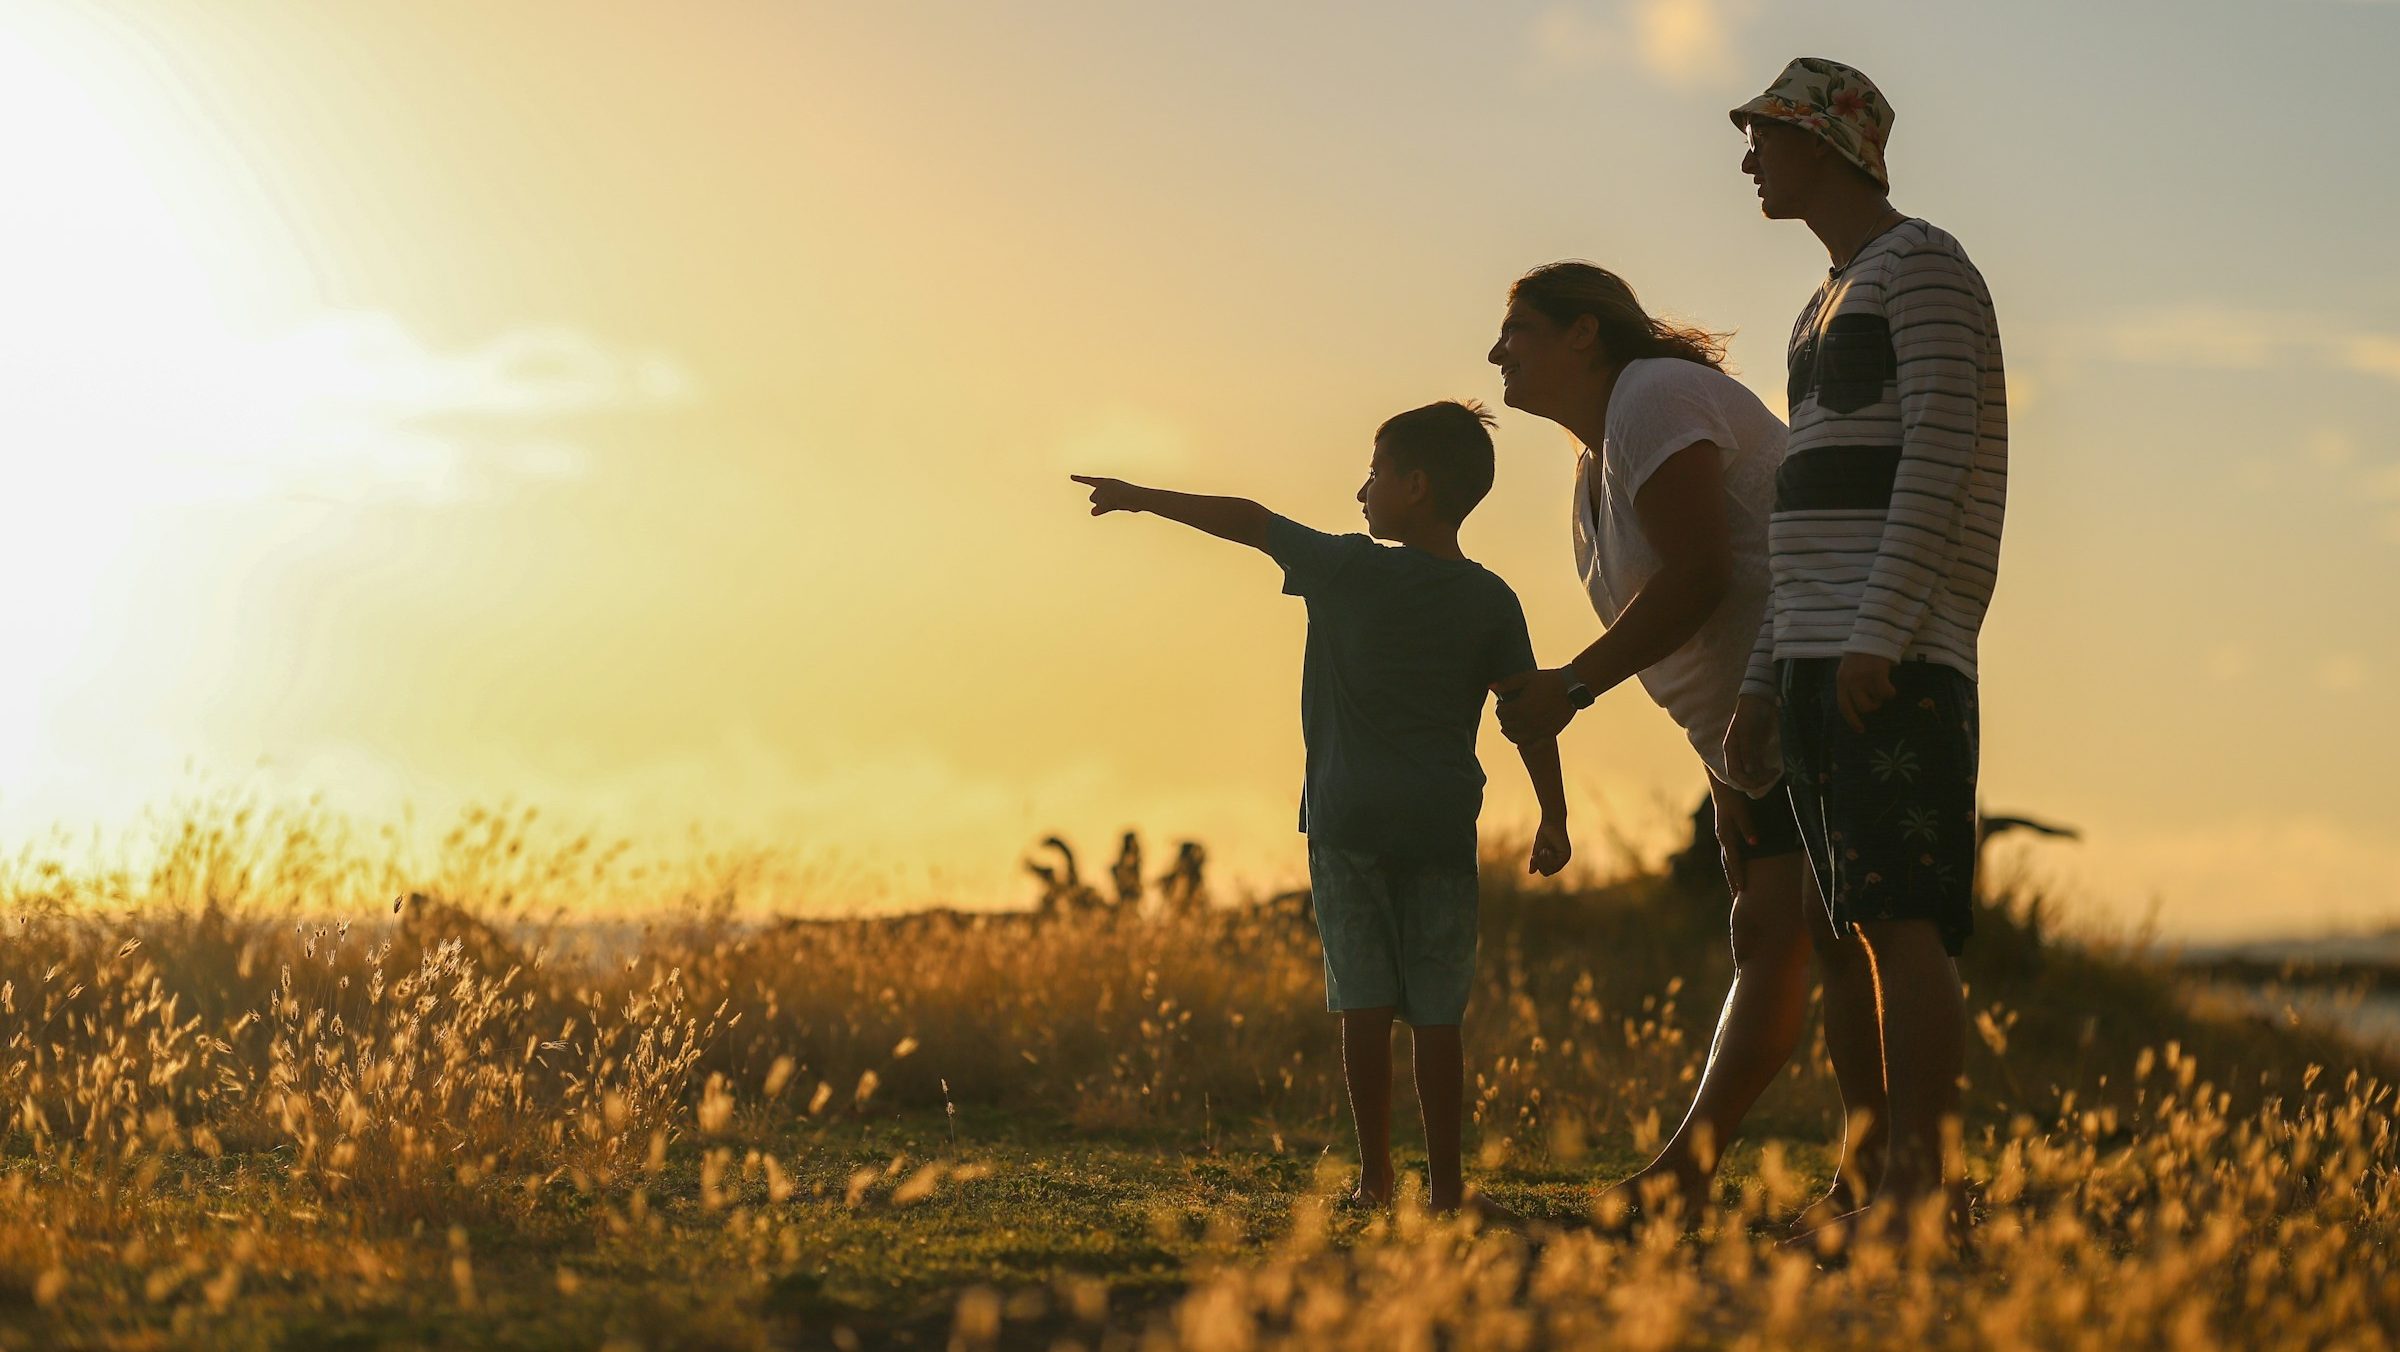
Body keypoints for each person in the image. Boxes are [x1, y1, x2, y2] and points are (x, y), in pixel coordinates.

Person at [1072, 400, 1570, 1214]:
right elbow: (1526, 712)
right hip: (1442, 825)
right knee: (1438, 1013)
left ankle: (1376, 1181)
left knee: (1364, 1002)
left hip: (1347, 822)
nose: (1362, 489)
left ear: (1415, 485)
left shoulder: (1348, 567)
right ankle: (1447, 1191)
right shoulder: (1491, 599)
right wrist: (1553, 815)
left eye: (1375, 472)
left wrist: (1143, 496)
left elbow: (1250, 521)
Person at [1486, 264, 1887, 1226]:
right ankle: (1708, 1176)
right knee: (1771, 936)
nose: (1499, 352)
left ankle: (1877, 1178)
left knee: (1842, 938)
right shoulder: (1600, 458)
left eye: (1520, 330)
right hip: (1759, 726)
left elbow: (1705, 575)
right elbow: (1711, 604)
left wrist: (1573, 685)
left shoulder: (1653, 398)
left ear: (1585, 334)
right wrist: (1725, 772)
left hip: (1823, 680)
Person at [1722, 57, 2009, 1241]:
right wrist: (1759, 678)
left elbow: (1943, 462)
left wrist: (1882, 631)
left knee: (1901, 919)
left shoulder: (1927, 268)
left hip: (1890, 656)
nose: (1750, 159)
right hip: (1812, 658)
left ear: (1832, 149)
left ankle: (1919, 1198)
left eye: (1767, 137)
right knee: (1841, 931)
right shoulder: (1822, 299)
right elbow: (1806, 507)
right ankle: (1863, 1182)